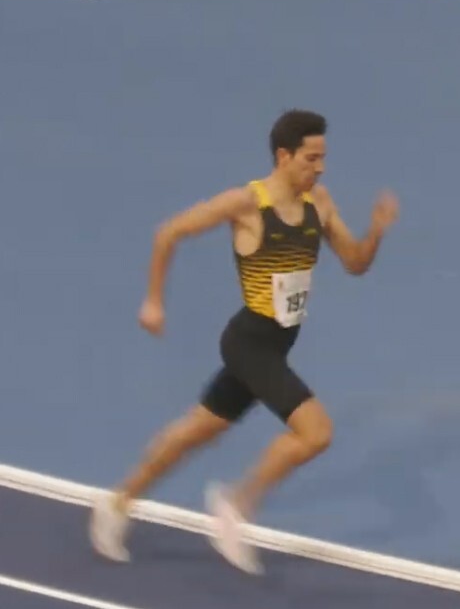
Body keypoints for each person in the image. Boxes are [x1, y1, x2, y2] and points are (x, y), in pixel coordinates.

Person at [89, 109, 400, 574]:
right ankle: (235, 503)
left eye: (323, 158)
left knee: (194, 432)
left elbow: (355, 263)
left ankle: (116, 503)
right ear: (284, 156)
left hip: (276, 347)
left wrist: (375, 231)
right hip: (249, 343)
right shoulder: (245, 204)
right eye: (311, 158)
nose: (320, 168)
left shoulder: (319, 203)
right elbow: (169, 232)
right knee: (316, 433)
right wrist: (153, 301)